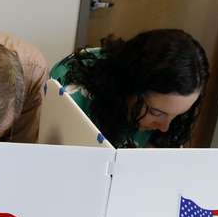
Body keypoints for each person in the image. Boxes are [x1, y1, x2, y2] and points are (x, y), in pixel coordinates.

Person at [50, 29, 209, 148]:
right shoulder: (73, 91)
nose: (164, 128)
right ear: (131, 85)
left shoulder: (168, 122)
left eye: (178, 115)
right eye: (156, 113)